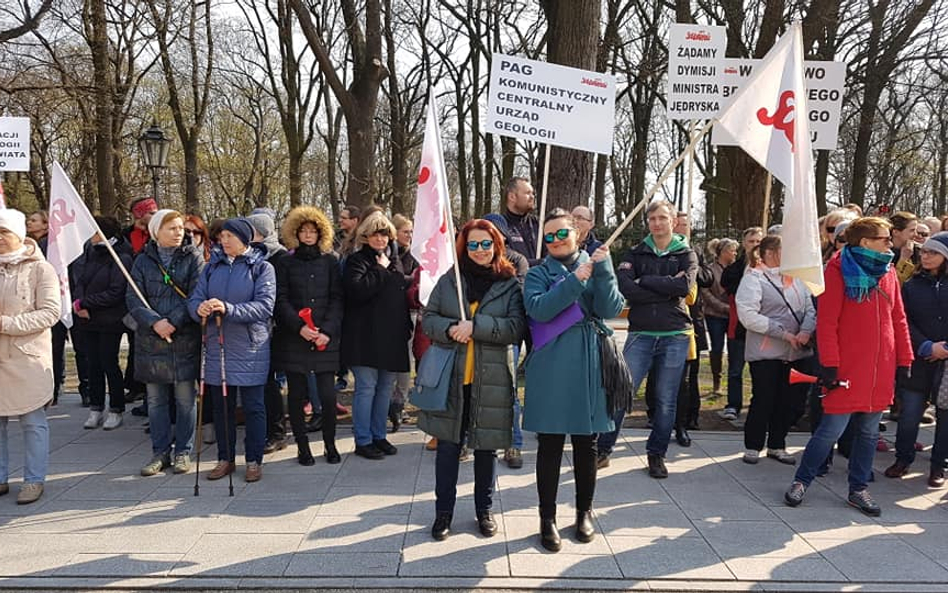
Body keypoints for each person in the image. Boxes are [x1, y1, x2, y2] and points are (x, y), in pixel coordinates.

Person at [784, 217, 913, 516]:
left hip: (880, 366)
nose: (890, 243)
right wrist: (829, 363)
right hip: (848, 367)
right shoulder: (837, 270)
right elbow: (827, 323)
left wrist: (905, 358)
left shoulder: (889, 271)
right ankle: (802, 480)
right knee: (830, 430)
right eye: (884, 238)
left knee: (868, 432)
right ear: (865, 242)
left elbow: (899, 318)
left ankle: (858, 489)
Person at [523, 208, 624, 551]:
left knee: (586, 442)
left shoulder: (596, 263)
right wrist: (574, 280)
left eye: (561, 233)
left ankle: (584, 512)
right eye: (548, 236)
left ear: (577, 233)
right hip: (550, 362)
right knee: (550, 443)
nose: (554, 241)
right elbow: (538, 309)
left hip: (589, 361)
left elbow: (610, 308)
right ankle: (546, 517)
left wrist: (605, 269)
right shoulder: (538, 273)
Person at [419, 219, 525, 540]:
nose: (480, 250)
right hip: (452, 379)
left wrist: (476, 326)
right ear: (464, 246)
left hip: (491, 378)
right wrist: (452, 328)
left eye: (486, 244)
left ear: (496, 245)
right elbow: (429, 320)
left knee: (486, 449)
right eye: (474, 244)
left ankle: (484, 510)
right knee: (449, 448)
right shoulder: (450, 281)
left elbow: (516, 327)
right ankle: (443, 513)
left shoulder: (508, 283)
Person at [597, 200, 697, 478]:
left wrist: (646, 281)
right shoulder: (635, 252)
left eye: (662, 217)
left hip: (675, 335)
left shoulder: (686, 254)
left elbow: (684, 287)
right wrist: (665, 287)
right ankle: (603, 450)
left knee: (666, 400)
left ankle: (657, 455)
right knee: (621, 393)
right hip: (640, 333)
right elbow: (627, 288)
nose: (657, 223)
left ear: (673, 221)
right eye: (652, 218)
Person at [188, 218, 276, 483]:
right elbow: (194, 299)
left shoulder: (262, 267)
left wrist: (229, 309)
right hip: (218, 346)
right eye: (221, 236)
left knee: (253, 407)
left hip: (250, 348)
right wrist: (199, 309)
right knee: (221, 407)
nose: (223, 241)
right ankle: (224, 459)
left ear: (244, 239)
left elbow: (264, 307)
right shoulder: (211, 267)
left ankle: (253, 460)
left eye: (229, 236)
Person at [127, 210, 205, 476]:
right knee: (156, 400)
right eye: (171, 227)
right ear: (156, 230)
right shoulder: (142, 261)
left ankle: (183, 451)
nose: (179, 232)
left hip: (183, 337)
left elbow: (197, 294)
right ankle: (160, 452)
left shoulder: (193, 257)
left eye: (181, 227)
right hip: (151, 340)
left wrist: (173, 321)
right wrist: (155, 322)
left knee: (185, 399)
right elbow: (134, 298)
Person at [735, 235, 816, 465]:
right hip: (766, 353)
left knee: (789, 400)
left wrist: (805, 332)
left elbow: (811, 308)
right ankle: (753, 445)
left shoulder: (798, 278)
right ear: (771, 253)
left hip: (796, 352)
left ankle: (777, 444)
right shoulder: (754, 278)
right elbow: (748, 316)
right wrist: (782, 333)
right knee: (764, 398)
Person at [273, 206, 344, 465]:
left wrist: (327, 331)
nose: (308, 235)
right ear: (295, 233)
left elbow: (338, 299)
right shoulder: (285, 262)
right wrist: (299, 327)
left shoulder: (331, 261)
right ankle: (303, 447)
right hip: (295, 338)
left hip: (325, 338)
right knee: (296, 394)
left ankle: (330, 444)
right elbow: (280, 300)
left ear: (320, 233)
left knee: (327, 395)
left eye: (313, 231)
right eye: (303, 231)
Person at [0, 209, 60, 505]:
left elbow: (51, 312)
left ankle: (34, 480)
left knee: (32, 421)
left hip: (27, 358)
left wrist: (7, 325)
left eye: (4, 233)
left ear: (18, 234)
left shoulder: (40, 269)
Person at [341, 211, 411, 460]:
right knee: (366, 388)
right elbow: (357, 291)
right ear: (366, 236)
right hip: (364, 337)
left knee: (385, 388)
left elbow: (399, 294)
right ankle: (363, 439)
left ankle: (379, 435)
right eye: (375, 234)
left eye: (385, 234)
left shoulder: (394, 260)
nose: (381, 238)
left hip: (391, 336)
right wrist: (379, 271)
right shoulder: (357, 260)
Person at [884, 231, 948, 487]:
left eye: (933, 252)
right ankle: (902, 459)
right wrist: (925, 346)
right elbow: (903, 320)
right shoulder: (911, 285)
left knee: (945, 417)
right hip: (918, 360)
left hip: (946, 363)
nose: (926, 256)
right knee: (909, 414)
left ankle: (937, 466)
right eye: (924, 252)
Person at [71, 217, 133, 431]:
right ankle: (96, 407)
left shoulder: (121, 256)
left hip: (110, 320)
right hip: (88, 320)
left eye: (94, 231)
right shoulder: (91, 252)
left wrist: (87, 302)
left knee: (109, 363)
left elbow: (116, 292)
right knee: (92, 364)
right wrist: (79, 303)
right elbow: (81, 281)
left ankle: (116, 408)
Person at [247, 211, 292, 456]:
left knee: (270, 382)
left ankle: (277, 431)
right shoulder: (249, 257)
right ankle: (263, 427)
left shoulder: (280, 258)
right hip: (254, 329)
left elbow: (280, 295)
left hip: (276, 329)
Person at [720, 226, 764, 420]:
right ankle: (733, 405)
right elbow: (731, 291)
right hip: (738, 327)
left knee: (760, 371)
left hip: (762, 328)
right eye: (751, 241)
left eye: (759, 242)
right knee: (735, 369)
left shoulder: (770, 270)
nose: (755, 245)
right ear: (744, 244)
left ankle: (758, 405)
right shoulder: (733, 270)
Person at [390, 214, 419, 432]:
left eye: (411, 231)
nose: (409, 235)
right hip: (391, 313)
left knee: (407, 360)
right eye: (405, 231)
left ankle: (400, 401)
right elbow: (394, 279)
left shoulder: (415, 255)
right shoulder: (389, 253)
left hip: (412, 312)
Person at [702, 238, 737, 393]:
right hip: (714, 315)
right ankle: (717, 381)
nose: (735, 253)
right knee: (717, 348)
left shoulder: (736, 270)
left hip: (733, 316)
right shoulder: (709, 270)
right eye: (732, 250)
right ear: (723, 252)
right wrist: (723, 307)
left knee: (734, 349)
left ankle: (732, 383)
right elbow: (705, 293)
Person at [501, 176, 541, 265]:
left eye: (533, 193)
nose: (532, 197)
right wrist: (537, 263)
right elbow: (505, 259)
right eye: (528, 193)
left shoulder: (539, 223)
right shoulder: (500, 226)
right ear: (512, 197)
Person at [890, 211, 920, 284]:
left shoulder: (918, 252)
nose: (916, 234)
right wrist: (904, 259)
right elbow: (893, 284)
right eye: (912, 230)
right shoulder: (883, 252)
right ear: (896, 232)